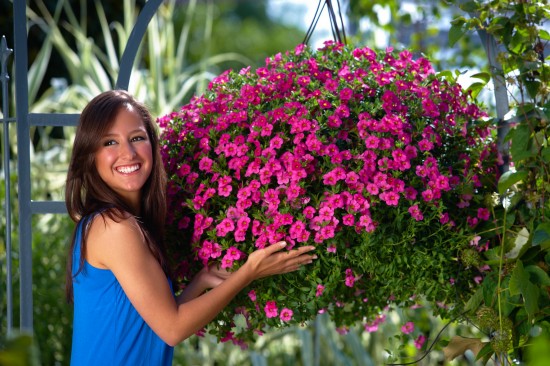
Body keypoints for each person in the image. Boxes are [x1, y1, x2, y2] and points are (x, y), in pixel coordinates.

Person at [65, 90, 317, 365]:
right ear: (89, 156)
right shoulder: (114, 226)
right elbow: (172, 329)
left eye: (137, 137)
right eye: (109, 142)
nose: (128, 153)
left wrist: (201, 280)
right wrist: (249, 272)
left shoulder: (115, 222)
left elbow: (155, 318)